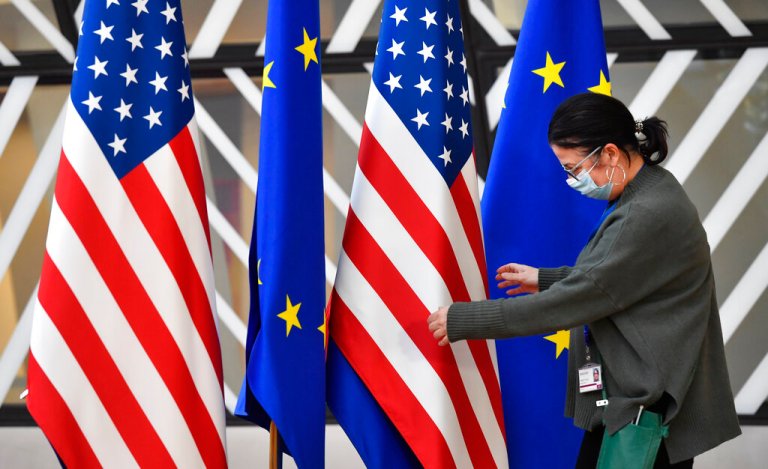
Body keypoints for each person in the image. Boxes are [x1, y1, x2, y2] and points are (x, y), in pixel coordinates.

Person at [427, 93, 741, 468]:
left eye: (574, 168)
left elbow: (577, 299)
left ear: (609, 153)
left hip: (644, 414)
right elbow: (621, 279)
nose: (572, 179)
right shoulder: (651, 188)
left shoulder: (644, 213)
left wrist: (463, 320)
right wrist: (547, 278)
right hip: (634, 405)